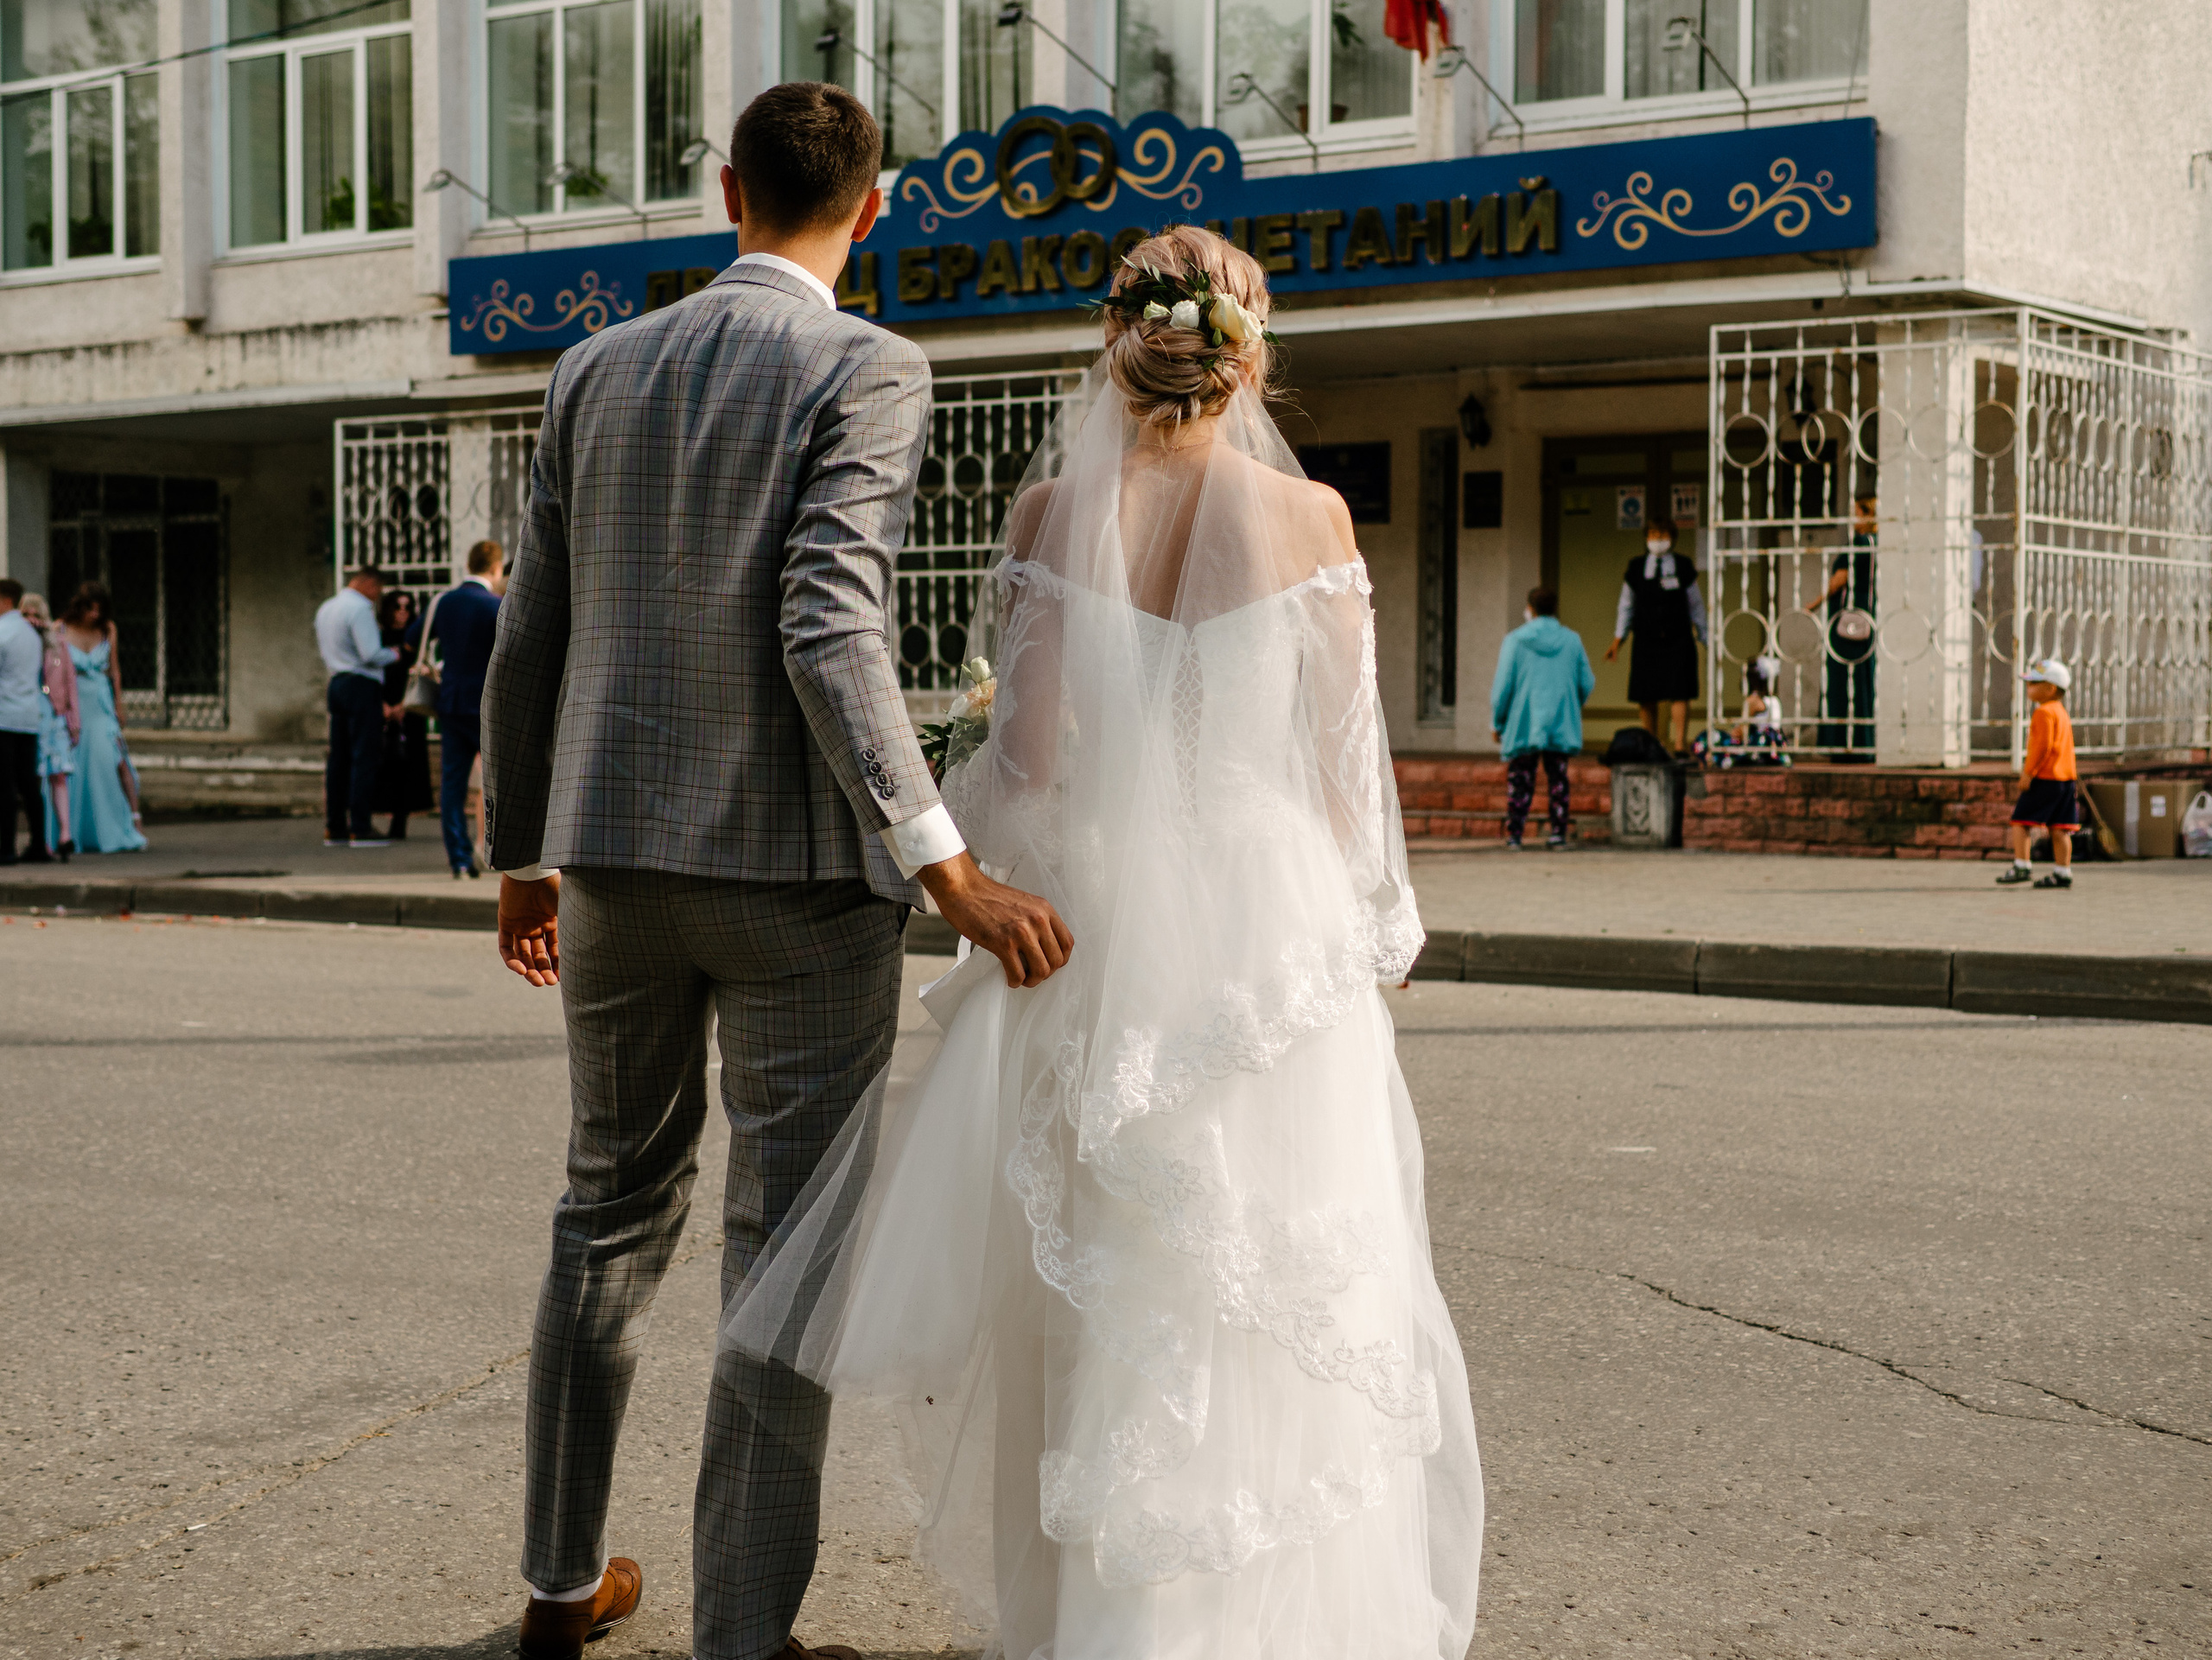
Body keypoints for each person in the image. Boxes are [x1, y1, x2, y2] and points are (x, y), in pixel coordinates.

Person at [723, 225, 1483, 1660]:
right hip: (1270, 935)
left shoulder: (1050, 517)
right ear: (1248, 345)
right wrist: (1372, 929)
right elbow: (1343, 772)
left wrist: (966, 866)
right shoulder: (1315, 515)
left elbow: (1025, 757)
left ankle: (1099, 1624)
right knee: (1272, 1276)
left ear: (1120, 339)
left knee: (1107, 1281)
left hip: (1101, 915)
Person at [480, 83, 1072, 1660]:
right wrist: (941, 864)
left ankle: (556, 1583)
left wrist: (523, 856)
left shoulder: (592, 367)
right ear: (874, 209)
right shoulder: (868, 365)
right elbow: (829, 622)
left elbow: (530, 634)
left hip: (606, 864)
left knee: (605, 1207)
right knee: (786, 1245)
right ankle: (740, 1633)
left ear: (725, 189)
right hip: (804, 887)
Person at [422, 539, 504, 877]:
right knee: (499, 782)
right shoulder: (495, 605)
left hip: (451, 703)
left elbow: (415, 638)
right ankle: (498, 854)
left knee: (452, 786)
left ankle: (458, 858)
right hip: (487, 706)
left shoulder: (444, 602)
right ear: (496, 568)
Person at [1490, 582, 1593, 849]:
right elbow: (1587, 682)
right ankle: (1558, 834)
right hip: (1560, 720)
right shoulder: (1572, 640)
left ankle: (1515, 836)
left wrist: (1498, 722)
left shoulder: (1515, 640)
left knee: (1520, 781)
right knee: (1558, 779)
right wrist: (1571, 705)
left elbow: (1503, 687)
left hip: (1524, 721)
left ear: (1531, 609)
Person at [53, 582, 146, 854]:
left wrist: (119, 702)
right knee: (76, 764)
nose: (95, 614)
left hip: (100, 702)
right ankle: (75, 831)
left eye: (99, 609)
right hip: (73, 701)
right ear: (78, 607)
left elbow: (114, 670)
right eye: (90, 608)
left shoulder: (108, 630)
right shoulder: (59, 628)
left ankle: (123, 824)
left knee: (110, 759)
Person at [1605, 515, 1706, 753]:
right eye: (1653, 535)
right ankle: (1652, 743)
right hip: (1646, 639)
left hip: (1678, 637)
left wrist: (1704, 635)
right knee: (1646, 692)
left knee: (1680, 691)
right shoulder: (1636, 567)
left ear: (1672, 538)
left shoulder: (1683, 566)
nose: (1657, 540)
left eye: (1662, 535)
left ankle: (1680, 742)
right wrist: (1618, 639)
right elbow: (1626, 605)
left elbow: (1696, 605)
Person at [314, 565, 397, 849]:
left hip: (337, 683)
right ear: (368, 584)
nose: (377, 596)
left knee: (339, 758)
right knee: (365, 755)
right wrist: (395, 654)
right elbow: (371, 654)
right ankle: (360, 827)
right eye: (378, 589)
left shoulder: (327, 607)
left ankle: (334, 826)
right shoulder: (360, 609)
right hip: (362, 685)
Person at [1997, 657, 2079, 889]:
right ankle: (2063, 871)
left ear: (2050, 688)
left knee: (2020, 821)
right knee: (2060, 827)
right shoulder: (2060, 712)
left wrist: (2028, 773)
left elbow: (2042, 747)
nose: (2028, 688)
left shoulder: (2043, 713)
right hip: (2065, 778)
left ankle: (2022, 865)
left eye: (2033, 683)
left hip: (2046, 777)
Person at [1807, 493, 1878, 755]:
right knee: (1862, 682)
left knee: (1840, 683)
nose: (1852, 518)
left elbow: (1839, 581)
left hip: (1846, 622)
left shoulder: (1859, 543)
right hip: (1868, 619)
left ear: (1868, 515)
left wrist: (1813, 604)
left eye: (1857, 512)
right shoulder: (1878, 543)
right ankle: (1863, 742)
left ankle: (1841, 743)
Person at [373, 589, 435, 840]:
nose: (402, 612)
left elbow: (423, 671)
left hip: (409, 709)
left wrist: (402, 705)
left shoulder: (416, 641)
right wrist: (383, 705)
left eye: (407, 607)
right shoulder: (377, 639)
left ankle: (400, 822)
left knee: (408, 767)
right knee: (381, 764)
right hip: (383, 708)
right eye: (397, 607)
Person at [0, 576, 54, 864]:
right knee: (29, 785)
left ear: (4, 600)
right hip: (29, 717)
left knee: (4, 786)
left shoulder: (2, 632)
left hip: (4, 717)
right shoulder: (31, 635)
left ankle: (5, 848)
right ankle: (37, 844)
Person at [22, 594, 78, 859]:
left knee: (59, 775)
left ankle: (65, 834)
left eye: (36, 614)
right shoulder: (19, 643)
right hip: (30, 717)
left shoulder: (58, 644)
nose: (31, 620)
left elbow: (70, 684)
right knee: (35, 779)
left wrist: (74, 721)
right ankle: (40, 840)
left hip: (54, 716)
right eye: (26, 614)